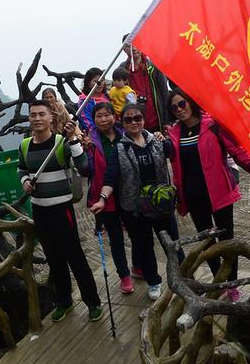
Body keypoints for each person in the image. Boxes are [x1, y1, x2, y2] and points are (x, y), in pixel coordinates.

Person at [166, 91, 250, 295]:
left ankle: (232, 285)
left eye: (182, 104)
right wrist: (179, 199)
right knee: (207, 244)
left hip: (220, 194)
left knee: (227, 243)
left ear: (191, 102)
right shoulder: (174, 133)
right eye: (174, 108)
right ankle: (218, 284)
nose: (179, 110)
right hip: (194, 197)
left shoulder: (212, 125)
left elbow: (238, 152)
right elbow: (176, 169)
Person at [17, 99, 102, 323]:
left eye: (41, 114)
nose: (37, 118)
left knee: (75, 256)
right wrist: (25, 182)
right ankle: (64, 301)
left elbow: (84, 167)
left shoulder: (60, 143)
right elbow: (21, 169)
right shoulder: (25, 145)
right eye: (33, 114)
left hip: (62, 209)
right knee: (53, 258)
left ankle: (92, 301)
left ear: (51, 118)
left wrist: (73, 137)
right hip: (39, 209)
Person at [97, 103, 178, 301]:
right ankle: (153, 281)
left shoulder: (157, 141)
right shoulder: (120, 148)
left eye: (137, 118)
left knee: (172, 243)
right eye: (128, 119)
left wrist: (167, 137)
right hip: (134, 208)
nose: (134, 122)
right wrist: (102, 199)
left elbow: (176, 151)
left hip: (161, 203)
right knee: (144, 246)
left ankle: (182, 276)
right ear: (122, 122)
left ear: (143, 119)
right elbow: (111, 177)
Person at [82, 101, 134, 293]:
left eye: (107, 115)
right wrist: (85, 151)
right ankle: (124, 276)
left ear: (114, 116)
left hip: (129, 193)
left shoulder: (125, 135)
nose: (103, 119)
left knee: (137, 233)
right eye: (99, 116)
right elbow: (86, 170)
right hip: (105, 197)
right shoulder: (91, 142)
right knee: (116, 238)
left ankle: (138, 266)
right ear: (94, 120)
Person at [123, 40, 170, 132]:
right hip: (134, 123)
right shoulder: (122, 70)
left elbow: (164, 94)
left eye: (136, 44)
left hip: (157, 121)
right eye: (129, 46)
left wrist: (167, 121)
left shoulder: (153, 66)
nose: (133, 48)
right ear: (124, 49)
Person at [76, 67, 108, 135]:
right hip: (97, 135)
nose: (100, 83)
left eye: (102, 80)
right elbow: (88, 123)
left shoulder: (108, 96)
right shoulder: (84, 102)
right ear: (88, 82)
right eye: (96, 81)